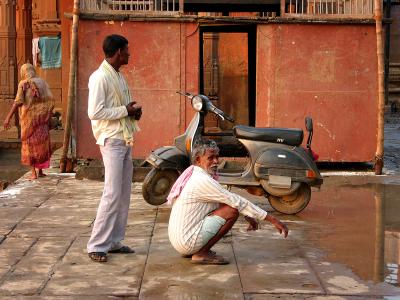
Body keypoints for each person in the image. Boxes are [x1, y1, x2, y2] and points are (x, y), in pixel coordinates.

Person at [168, 139, 289, 265]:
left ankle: (198, 250)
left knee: (229, 205)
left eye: (217, 157)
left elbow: (226, 200)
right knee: (231, 211)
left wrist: (248, 215)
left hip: (180, 241)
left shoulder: (195, 174)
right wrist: (273, 220)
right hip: (186, 241)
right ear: (198, 160)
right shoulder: (201, 180)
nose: (215, 161)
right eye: (210, 158)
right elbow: (236, 201)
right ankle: (202, 253)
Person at [86, 34, 142, 263]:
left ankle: (114, 240)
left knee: (123, 193)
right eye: (127, 50)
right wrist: (125, 111)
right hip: (111, 140)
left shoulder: (118, 76)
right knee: (111, 193)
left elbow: (120, 106)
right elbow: (95, 113)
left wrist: (133, 112)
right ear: (119, 52)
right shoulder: (100, 77)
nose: (129, 54)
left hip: (124, 137)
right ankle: (97, 244)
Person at [3, 63, 54, 180]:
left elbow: (18, 101)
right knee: (41, 145)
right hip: (41, 121)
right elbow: (50, 101)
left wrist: (8, 117)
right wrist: (48, 116)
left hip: (29, 121)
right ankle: (40, 171)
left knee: (30, 145)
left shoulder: (23, 83)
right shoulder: (43, 82)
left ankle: (33, 173)